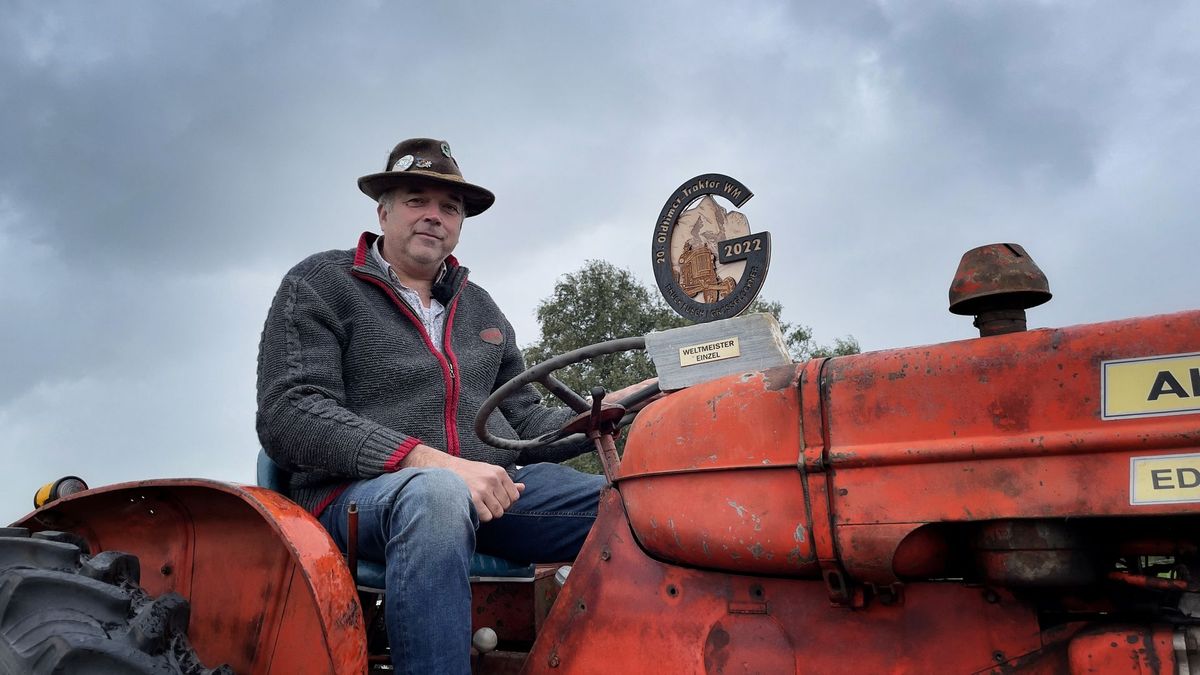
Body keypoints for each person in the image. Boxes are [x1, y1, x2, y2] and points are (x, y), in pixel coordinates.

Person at [256, 138, 648, 673]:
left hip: (493, 492)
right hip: (355, 500)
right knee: (436, 495)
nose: (434, 217)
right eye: (417, 200)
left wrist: (619, 409)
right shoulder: (320, 285)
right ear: (384, 210)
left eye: (450, 208)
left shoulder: (480, 307)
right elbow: (291, 413)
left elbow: (528, 423)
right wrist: (430, 462)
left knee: (642, 506)